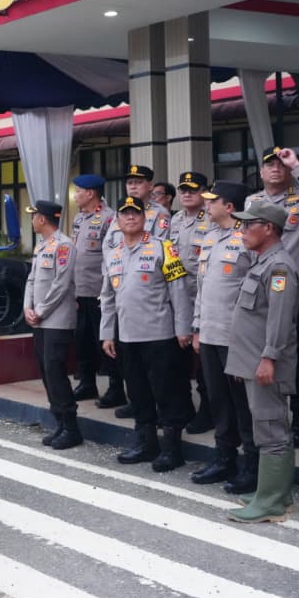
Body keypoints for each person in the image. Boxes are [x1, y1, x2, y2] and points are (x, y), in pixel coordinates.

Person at [100, 196, 194, 472]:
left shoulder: (164, 248)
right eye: (125, 213)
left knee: (167, 393)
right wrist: (107, 334)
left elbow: (179, 292)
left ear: (144, 219)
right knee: (138, 393)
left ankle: (171, 449)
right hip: (128, 337)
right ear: (117, 220)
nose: (130, 217)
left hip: (160, 336)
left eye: (136, 213)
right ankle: (146, 443)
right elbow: (107, 297)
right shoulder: (113, 253)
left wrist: (183, 330)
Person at [248, 146, 299, 448]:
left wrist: (297, 165)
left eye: (280, 165)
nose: (275, 169)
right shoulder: (252, 202)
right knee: (264, 356)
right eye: (269, 165)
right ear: (261, 171)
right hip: (262, 292)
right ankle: (269, 418)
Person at [226, 201, 299, 523]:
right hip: (253, 362)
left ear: (268, 228)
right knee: (267, 427)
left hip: (265, 364)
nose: (242, 231)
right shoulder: (262, 262)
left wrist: (268, 358)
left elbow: (279, 320)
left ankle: (271, 503)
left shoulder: (279, 267)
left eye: (248, 225)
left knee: (271, 430)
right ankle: (274, 494)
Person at [190, 181, 257, 493]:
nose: (206, 205)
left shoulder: (248, 238)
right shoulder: (209, 236)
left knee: (243, 404)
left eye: (211, 200)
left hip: (237, 337)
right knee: (219, 400)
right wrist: (197, 327)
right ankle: (224, 458)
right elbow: (203, 289)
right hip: (210, 334)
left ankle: (252, 465)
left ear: (229, 206)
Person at [103, 163, 170, 419]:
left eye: (138, 182)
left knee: (164, 384)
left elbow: (176, 289)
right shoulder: (117, 219)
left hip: (155, 318)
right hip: (123, 293)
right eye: (129, 181)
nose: (133, 185)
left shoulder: (160, 220)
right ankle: (144, 428)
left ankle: (168, 432)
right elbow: (108, 250)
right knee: (135, 377)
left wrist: (184, 327)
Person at [24, 200, 82, 450]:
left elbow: (61, 284)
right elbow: (32, 278)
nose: (32, 219)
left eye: (34, 215)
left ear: (42, 219)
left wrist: (41, 310)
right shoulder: (41, 246)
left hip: (56, 319)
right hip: (39, 319)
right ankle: (59, 421)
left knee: (56, 371)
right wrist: (27, 307)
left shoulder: (64, 245)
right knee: (46, 372)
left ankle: (71, 427)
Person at [169, 171, 214, 434]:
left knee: (205, 362)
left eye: (193, 189)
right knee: (179, 359)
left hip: (203, 298)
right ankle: (184, 408)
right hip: (179, 299)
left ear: (204, 193)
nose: (187, 194)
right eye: (183, 189)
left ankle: (208, 411)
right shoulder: (175, 220)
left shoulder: (210, 219)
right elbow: (171, 259)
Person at [67, 174, 117, 405]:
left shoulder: (109, 218)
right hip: (81, 290)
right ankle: (87, 383)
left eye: (78, 191)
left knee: (105, 342)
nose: (75, 195)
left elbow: (111, 256)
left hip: (99, 292)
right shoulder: (79, 218)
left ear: (90, 193)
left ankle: (116, 387)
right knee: (83, 340)